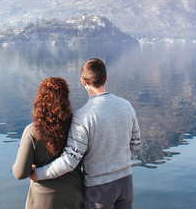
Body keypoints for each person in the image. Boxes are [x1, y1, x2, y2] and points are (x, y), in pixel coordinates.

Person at [30, 58, 142, 209]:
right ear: (106, 78)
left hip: (100, 189)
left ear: (83, 82)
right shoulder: (127, 106)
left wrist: (38, 174)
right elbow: (136, 144)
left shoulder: (82, 117)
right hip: (126, 182)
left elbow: (70, 160)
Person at [13, 77, 84, 209]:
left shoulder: (32, 132)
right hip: (75, 198)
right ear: (66, 100)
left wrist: (34, 170)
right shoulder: (77, 128)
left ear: (40, 100)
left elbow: (19, 173)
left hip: (43, 202)